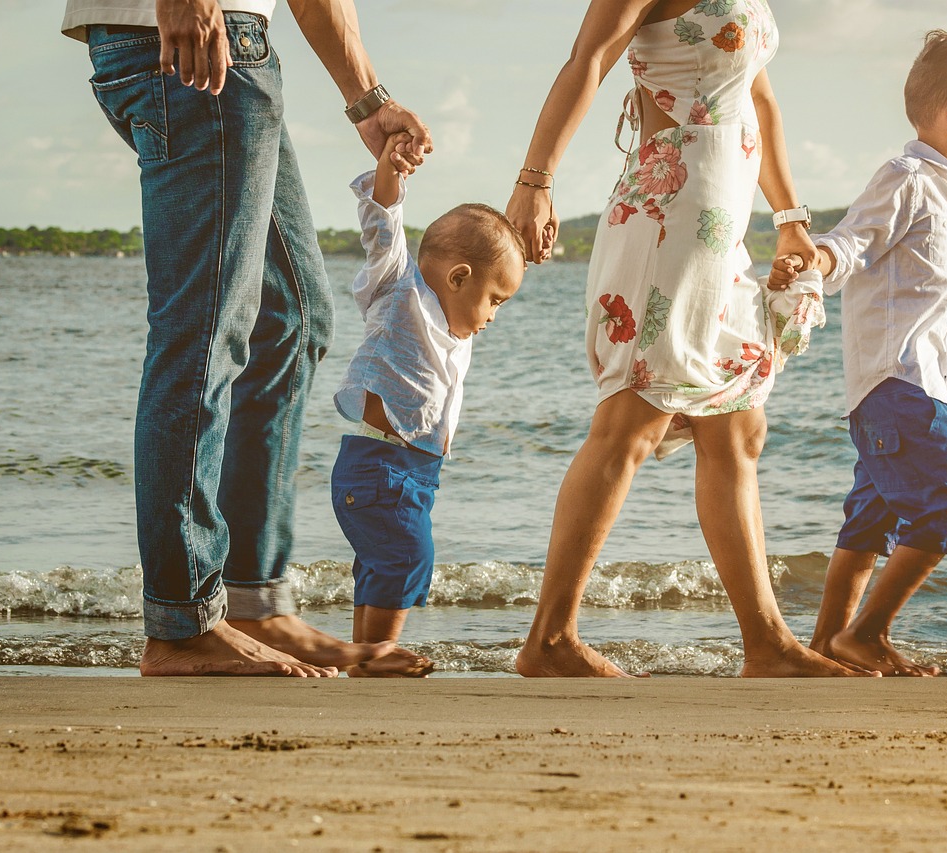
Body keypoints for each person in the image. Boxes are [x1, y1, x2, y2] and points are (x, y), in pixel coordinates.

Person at [61, 0, 434, 676]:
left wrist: (368, 100)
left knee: (289, 320)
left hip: (226, 39)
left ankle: (251, 600)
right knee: (204, 331)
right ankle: (181, 621)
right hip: (201, 37)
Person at [505, 0, 872, 677]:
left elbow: (759, 96)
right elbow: (587, 60)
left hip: (723, 227)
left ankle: (766, 643)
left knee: (737, 425)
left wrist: (791, 219)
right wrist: (536, 180)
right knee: (632, 418)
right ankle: (550, 637)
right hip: (668, 208)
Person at [772, 30, 947, 676]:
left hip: (901, 389)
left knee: (868, 522)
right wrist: (813, 260)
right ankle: (867, 633)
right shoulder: (905, 179)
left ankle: (826, 645)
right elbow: (850, 243)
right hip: (899, 387)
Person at [330, 134, 526, 676]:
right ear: (458, 278)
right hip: (380, 467)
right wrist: (390, 173)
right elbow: (383, 230)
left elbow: (499, 242)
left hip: (411, 471)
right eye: (494, 300)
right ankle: (379, 654)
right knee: (407, 558)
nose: (492, 315)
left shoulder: (457, 330)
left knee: (381, 564)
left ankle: (364, 656)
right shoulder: (399, 295)